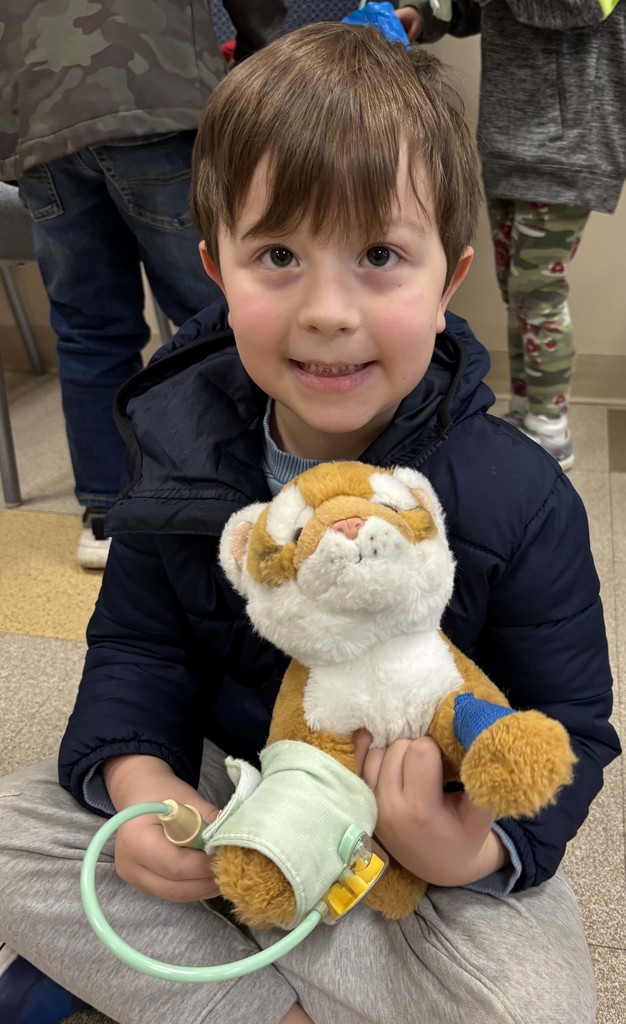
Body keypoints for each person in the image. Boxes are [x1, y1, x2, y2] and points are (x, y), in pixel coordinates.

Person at [0, 22, 620, 1024]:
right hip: (241, 779)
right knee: (13, 831)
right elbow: (139, 649)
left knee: (534, 1005)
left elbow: (569, 727)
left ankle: (203, 969)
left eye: (379, 255)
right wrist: (141, 781)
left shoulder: (519, 495)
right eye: (279, 255)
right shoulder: (176, 445)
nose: (327, 310)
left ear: (447, 281)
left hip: (414, 823)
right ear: (216, 270)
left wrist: (458, 846)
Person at [0, 0, 287, 568]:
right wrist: (260, 70)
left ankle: (108, 515)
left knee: (88, 328)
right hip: (158, 92)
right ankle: (255, 491)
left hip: (34, 119)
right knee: (223, 316)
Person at [396, 0, 626, 471]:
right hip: (508, 138)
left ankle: (551, 425)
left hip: (569, 144)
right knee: (518, 290)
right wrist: (427, 12)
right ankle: (527, 410)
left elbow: (580, 8)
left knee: (536, 290)